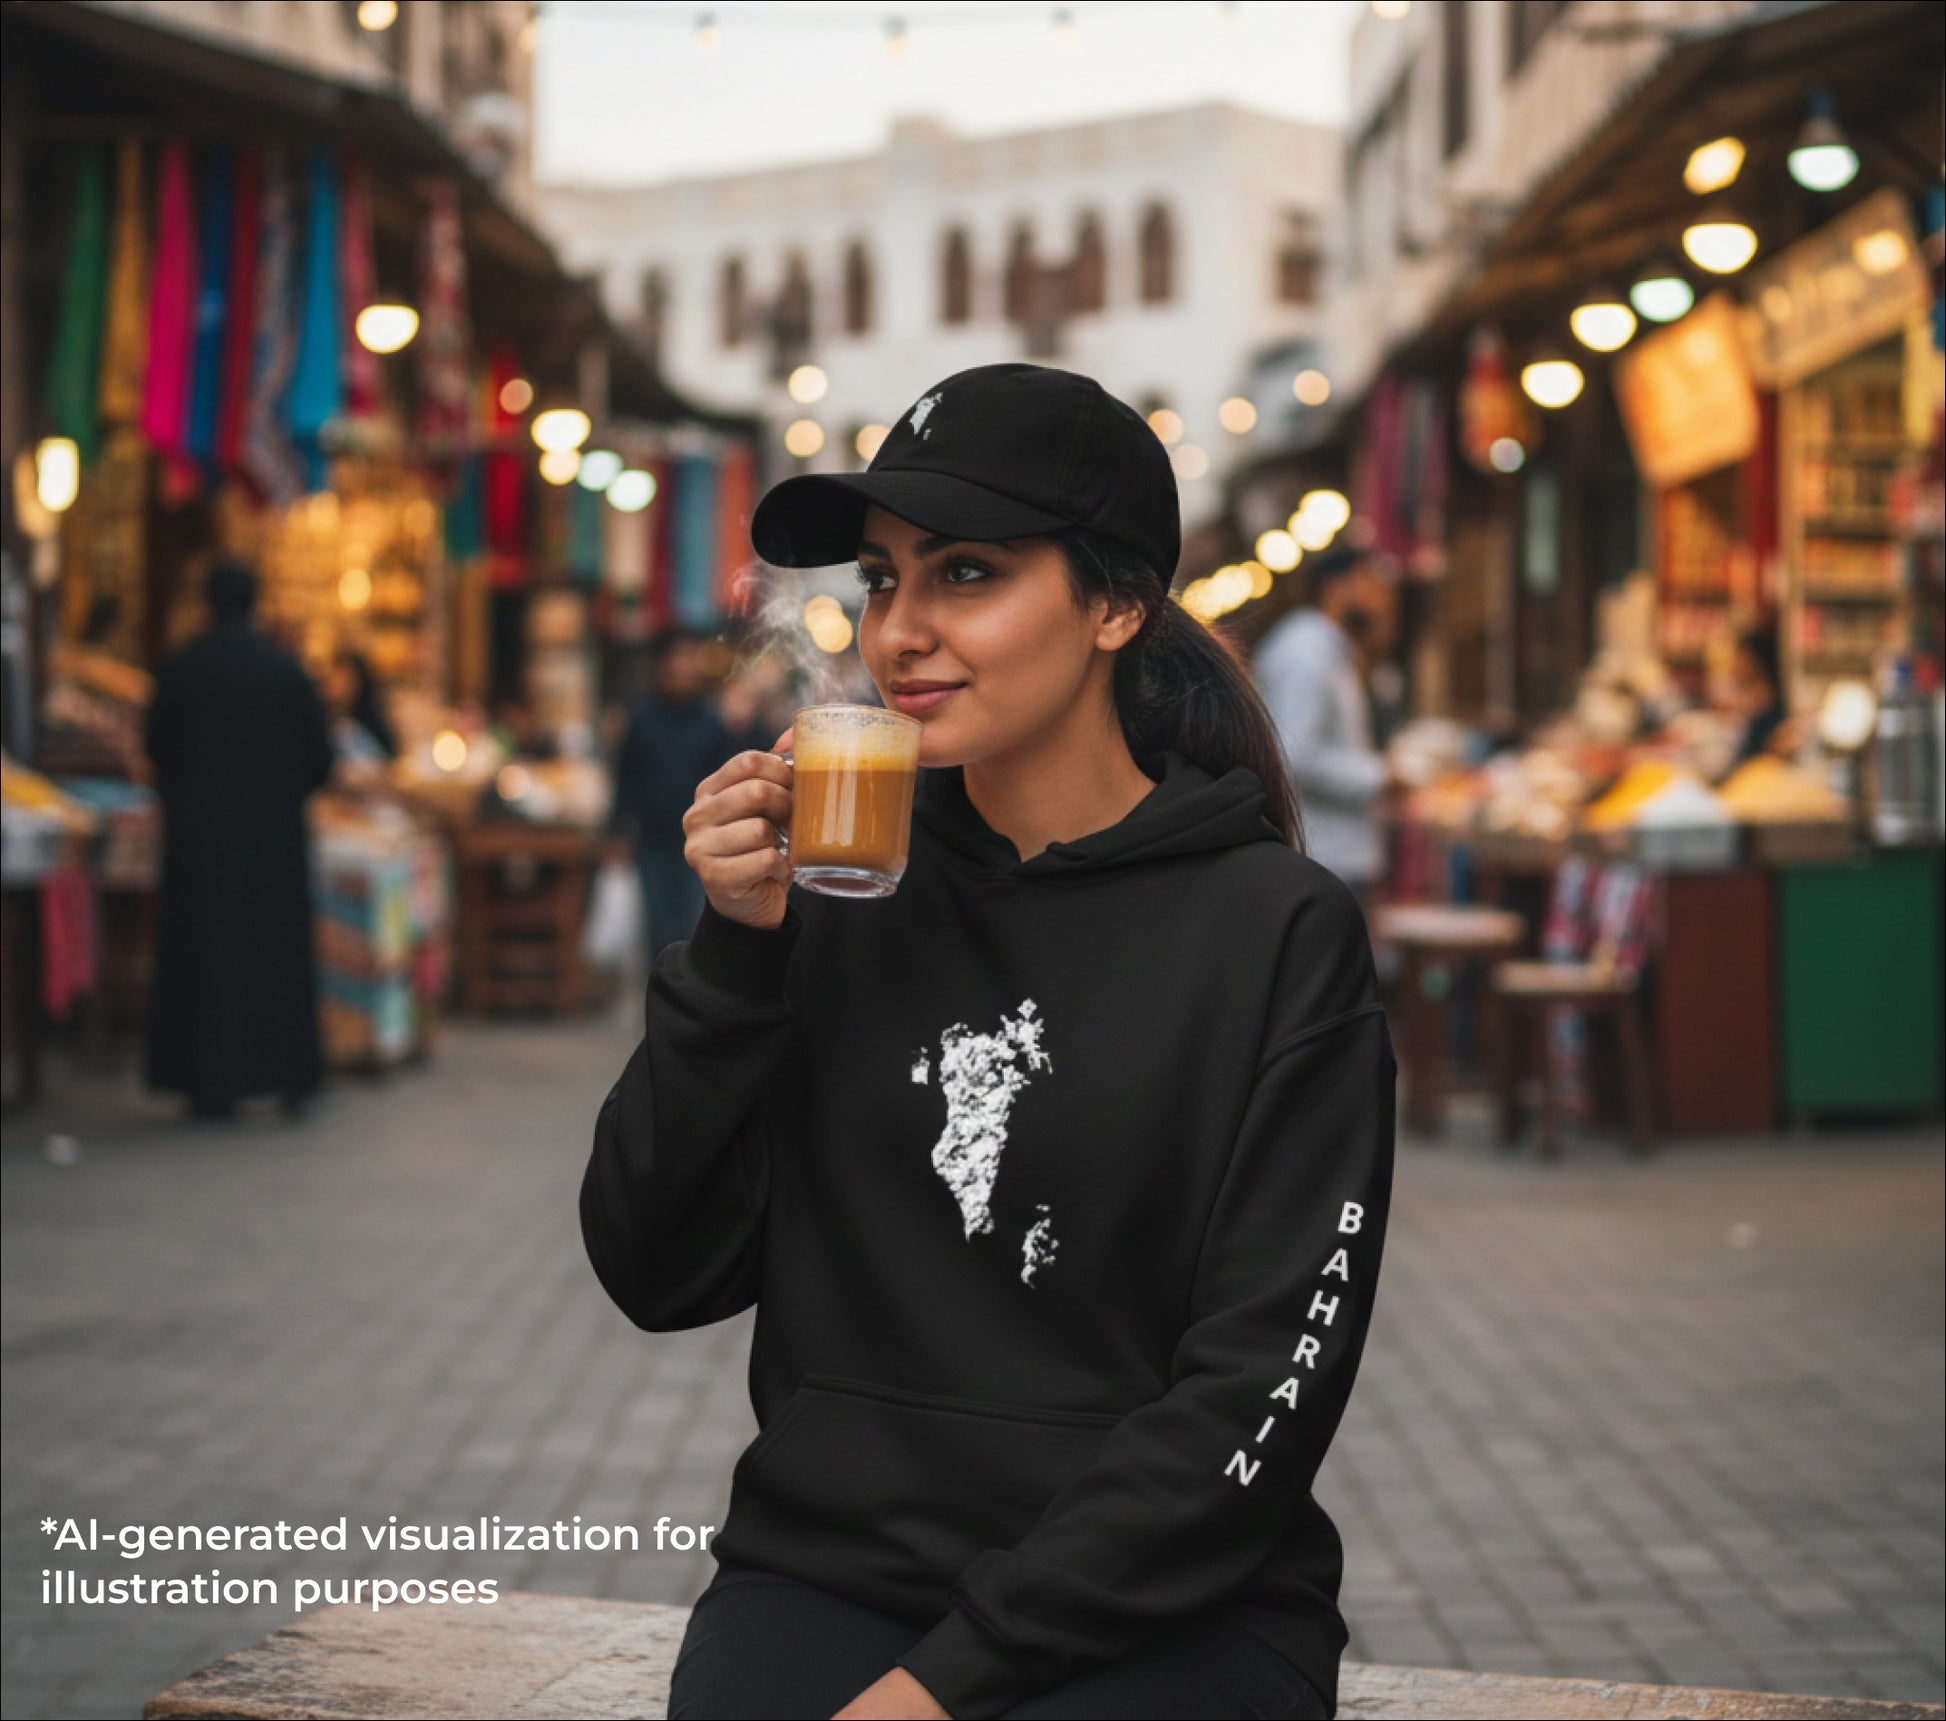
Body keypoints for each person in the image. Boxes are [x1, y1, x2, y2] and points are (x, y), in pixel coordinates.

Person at [581, 364, 1396, 1720]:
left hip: (1172, 1592)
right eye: (885, 579)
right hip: (827, 1575)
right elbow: (655, 1268)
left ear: (1117, 603)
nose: (900, 629)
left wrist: (942, 1687)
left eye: (965, 573)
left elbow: (1258, 1389)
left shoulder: (1273, 931)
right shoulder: (838, 888)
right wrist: (735, 951)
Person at [144, 559, 334, 1118]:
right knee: (275, 957)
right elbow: (319, 760)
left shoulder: (182, 670)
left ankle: (211, 1083)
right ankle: (289, 1075)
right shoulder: (285, 671)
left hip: (200, 846)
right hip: (273, 845)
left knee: (208, 960)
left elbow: (157, 751)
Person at [1251, 543, 1401, 915]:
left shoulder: (1328, 652)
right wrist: (1381, 776)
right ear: (1337, 588)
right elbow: (1295, 755)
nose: (1381, 597)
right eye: (1370, 582)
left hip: (1332, 851)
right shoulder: (1308, 656)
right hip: (1324, 854)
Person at [606, 626, 738, 962]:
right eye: (675, 659)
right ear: (660, 665)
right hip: (651, 841)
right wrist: (616, 830)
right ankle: (659, 999)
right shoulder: (641, 717)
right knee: (657, 930)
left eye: (687, 659)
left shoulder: (711, 722)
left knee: (692, 927)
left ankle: (690, 1002)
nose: (682, 668)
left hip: (700, 842)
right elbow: (625, 777)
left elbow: (725, 782)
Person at [1724, 625, 1789, 766]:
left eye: (1738, 658)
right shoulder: (1749, 707)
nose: (1732, 666)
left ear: (1754, 662)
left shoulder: (1770, 712)